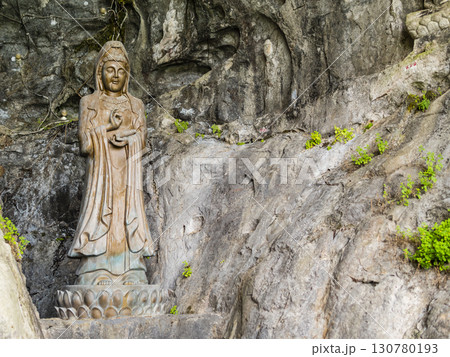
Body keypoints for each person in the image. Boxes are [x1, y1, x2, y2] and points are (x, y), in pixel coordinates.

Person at [68, 41, 153, 286]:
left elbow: (143, 141)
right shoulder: (90, 102)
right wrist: (109, 128)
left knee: (127, 213)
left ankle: (131, 271)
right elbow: (85, 143)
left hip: (127, 172)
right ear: (100, 72)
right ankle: (96, 270)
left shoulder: (136, 105)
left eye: (120, 70)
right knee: (102, 213)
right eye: (109, 69)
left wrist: (127, 137)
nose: (115, 75)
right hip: (101, 175)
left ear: (127, 74)